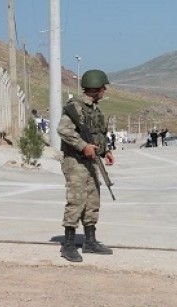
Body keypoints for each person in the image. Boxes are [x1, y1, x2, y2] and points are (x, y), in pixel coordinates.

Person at [57, 69, 115, 263]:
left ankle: (90, 241)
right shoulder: (76, 107)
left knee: (92, 200)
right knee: (76, 200)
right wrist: (83, 147)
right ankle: (68, 244)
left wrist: (105, 150)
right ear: (96, 89)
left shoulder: (95, 110)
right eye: (103, 88)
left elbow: (97, 133)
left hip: (91, 161)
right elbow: (63, 130)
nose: (105, 91)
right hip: (75, 162)